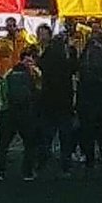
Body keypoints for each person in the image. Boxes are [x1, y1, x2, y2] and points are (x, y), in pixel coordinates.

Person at [36, 25, 75, 171]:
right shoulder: (67, 55)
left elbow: (42, 69)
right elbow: (74, 69)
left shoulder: (47, 55)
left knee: (47, 135)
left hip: (49, 99)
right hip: (65, 99)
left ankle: (41, 163)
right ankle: (66, 165)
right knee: (65, 136)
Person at [76, 22, 102, 168]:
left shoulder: (100, 46)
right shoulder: (90, 47)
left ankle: (95, 156)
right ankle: (95, 156)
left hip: (96, 93)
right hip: (94, 93)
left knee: (97, 128)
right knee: (95, 128)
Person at [0, 55, 39, 181]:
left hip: (9, 113)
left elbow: (3, 94)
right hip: (25, 114)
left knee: (3, 144)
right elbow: (35, 94)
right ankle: (28, 172)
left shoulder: (8, 77)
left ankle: (0, 171)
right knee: (29, 144)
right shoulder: (29, 78)